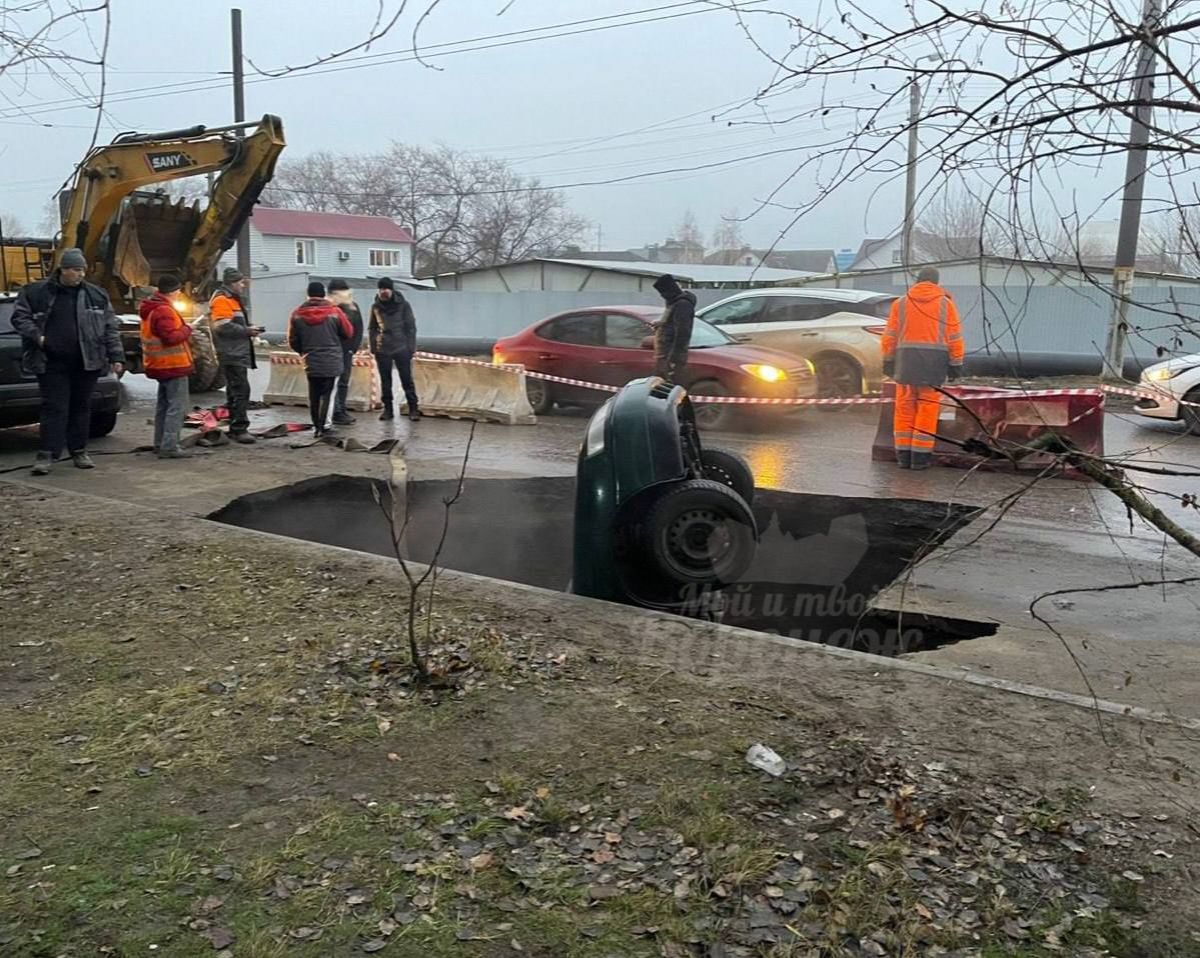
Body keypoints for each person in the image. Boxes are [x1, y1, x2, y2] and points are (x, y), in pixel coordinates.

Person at [11, 247, 125, 475]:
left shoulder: (96, 295)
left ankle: (79, 450)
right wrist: (39, 337)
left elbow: (110, 327)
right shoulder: (37, 293)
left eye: (82, 269)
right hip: (51, 363)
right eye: (75, 269)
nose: (80, 274)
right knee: (55, 408)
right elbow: (19, 317)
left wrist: (116, 356)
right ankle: (46, 454)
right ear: (63, 269)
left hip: (87, 362)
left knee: (81, 408)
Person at [881, 266, 965, 470]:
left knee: (904, 409)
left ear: (917, 281)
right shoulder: (946, 304)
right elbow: (954, 337)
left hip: (905, 363)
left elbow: (890, 336)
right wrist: (956, 365)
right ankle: (920, 458)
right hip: (934, 365)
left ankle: (903, 457)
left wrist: (888, 361)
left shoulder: (900, 303)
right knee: (927, 409)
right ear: (936, 283)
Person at [138, 274, 194, 459]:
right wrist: (188, 329)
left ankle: (160, 443)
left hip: (159, 365)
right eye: (178, 290)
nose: (179, 293)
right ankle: (170, 446)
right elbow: (171, 337)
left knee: (163, 406)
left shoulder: (151, 308)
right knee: (176, 407)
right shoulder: (164, 311)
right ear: (172, 291)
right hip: (172, 365)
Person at [288, 281, 354, 437]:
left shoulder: (297, 313)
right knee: (328, 394)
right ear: (323, 294)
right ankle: (324, 426)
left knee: (314, 393)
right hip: (332, 359)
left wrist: (304, 351)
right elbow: (348, 332)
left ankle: (316, 425)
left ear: (308, 294)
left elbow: (293, 340)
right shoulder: (335, 312)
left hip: (310, 359)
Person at [209, 267, 263, 444]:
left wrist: (247, 329)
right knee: (241, 390)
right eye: (240, 282)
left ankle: (236, 426)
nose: (243, 285)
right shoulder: (222, 300)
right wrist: (247, 331)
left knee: (235, 390)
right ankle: (239, 428)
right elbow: (222, 326)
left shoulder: (231, 300)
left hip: (234, 351)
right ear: (233, 283)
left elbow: (229, 324)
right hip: (231, 352)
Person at [370, 277, 420, 422]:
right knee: (385, 381)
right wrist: (374, 345)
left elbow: (411, 327)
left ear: (391, 289)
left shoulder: (403, 305)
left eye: (385, 288)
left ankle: (413, 408)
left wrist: (410, 347)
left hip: (401, 347)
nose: (383, 291)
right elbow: (373, 327)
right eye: (381, 289)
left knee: (406, 379)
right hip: (383, 348)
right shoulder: (376, 306)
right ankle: (388, 410)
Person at [327, 278, 365, 426]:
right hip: (331, 351)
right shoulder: (327, 308)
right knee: (329, 383)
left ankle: (340, 410)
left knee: (343, 382)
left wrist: (352, 348)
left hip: (346, 350)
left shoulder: (352, 308)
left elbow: (358, 328)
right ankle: (330, 412)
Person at [652, 273, 695, 384]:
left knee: (670, 388)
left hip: (670, 357)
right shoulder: (674, 303)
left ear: (669, 291)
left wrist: (674, 359)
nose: (662, 296)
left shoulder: (682, 305)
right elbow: (671, 324)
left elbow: (682, 332)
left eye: (663, 293)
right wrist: (661, 324)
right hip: (664, 355)